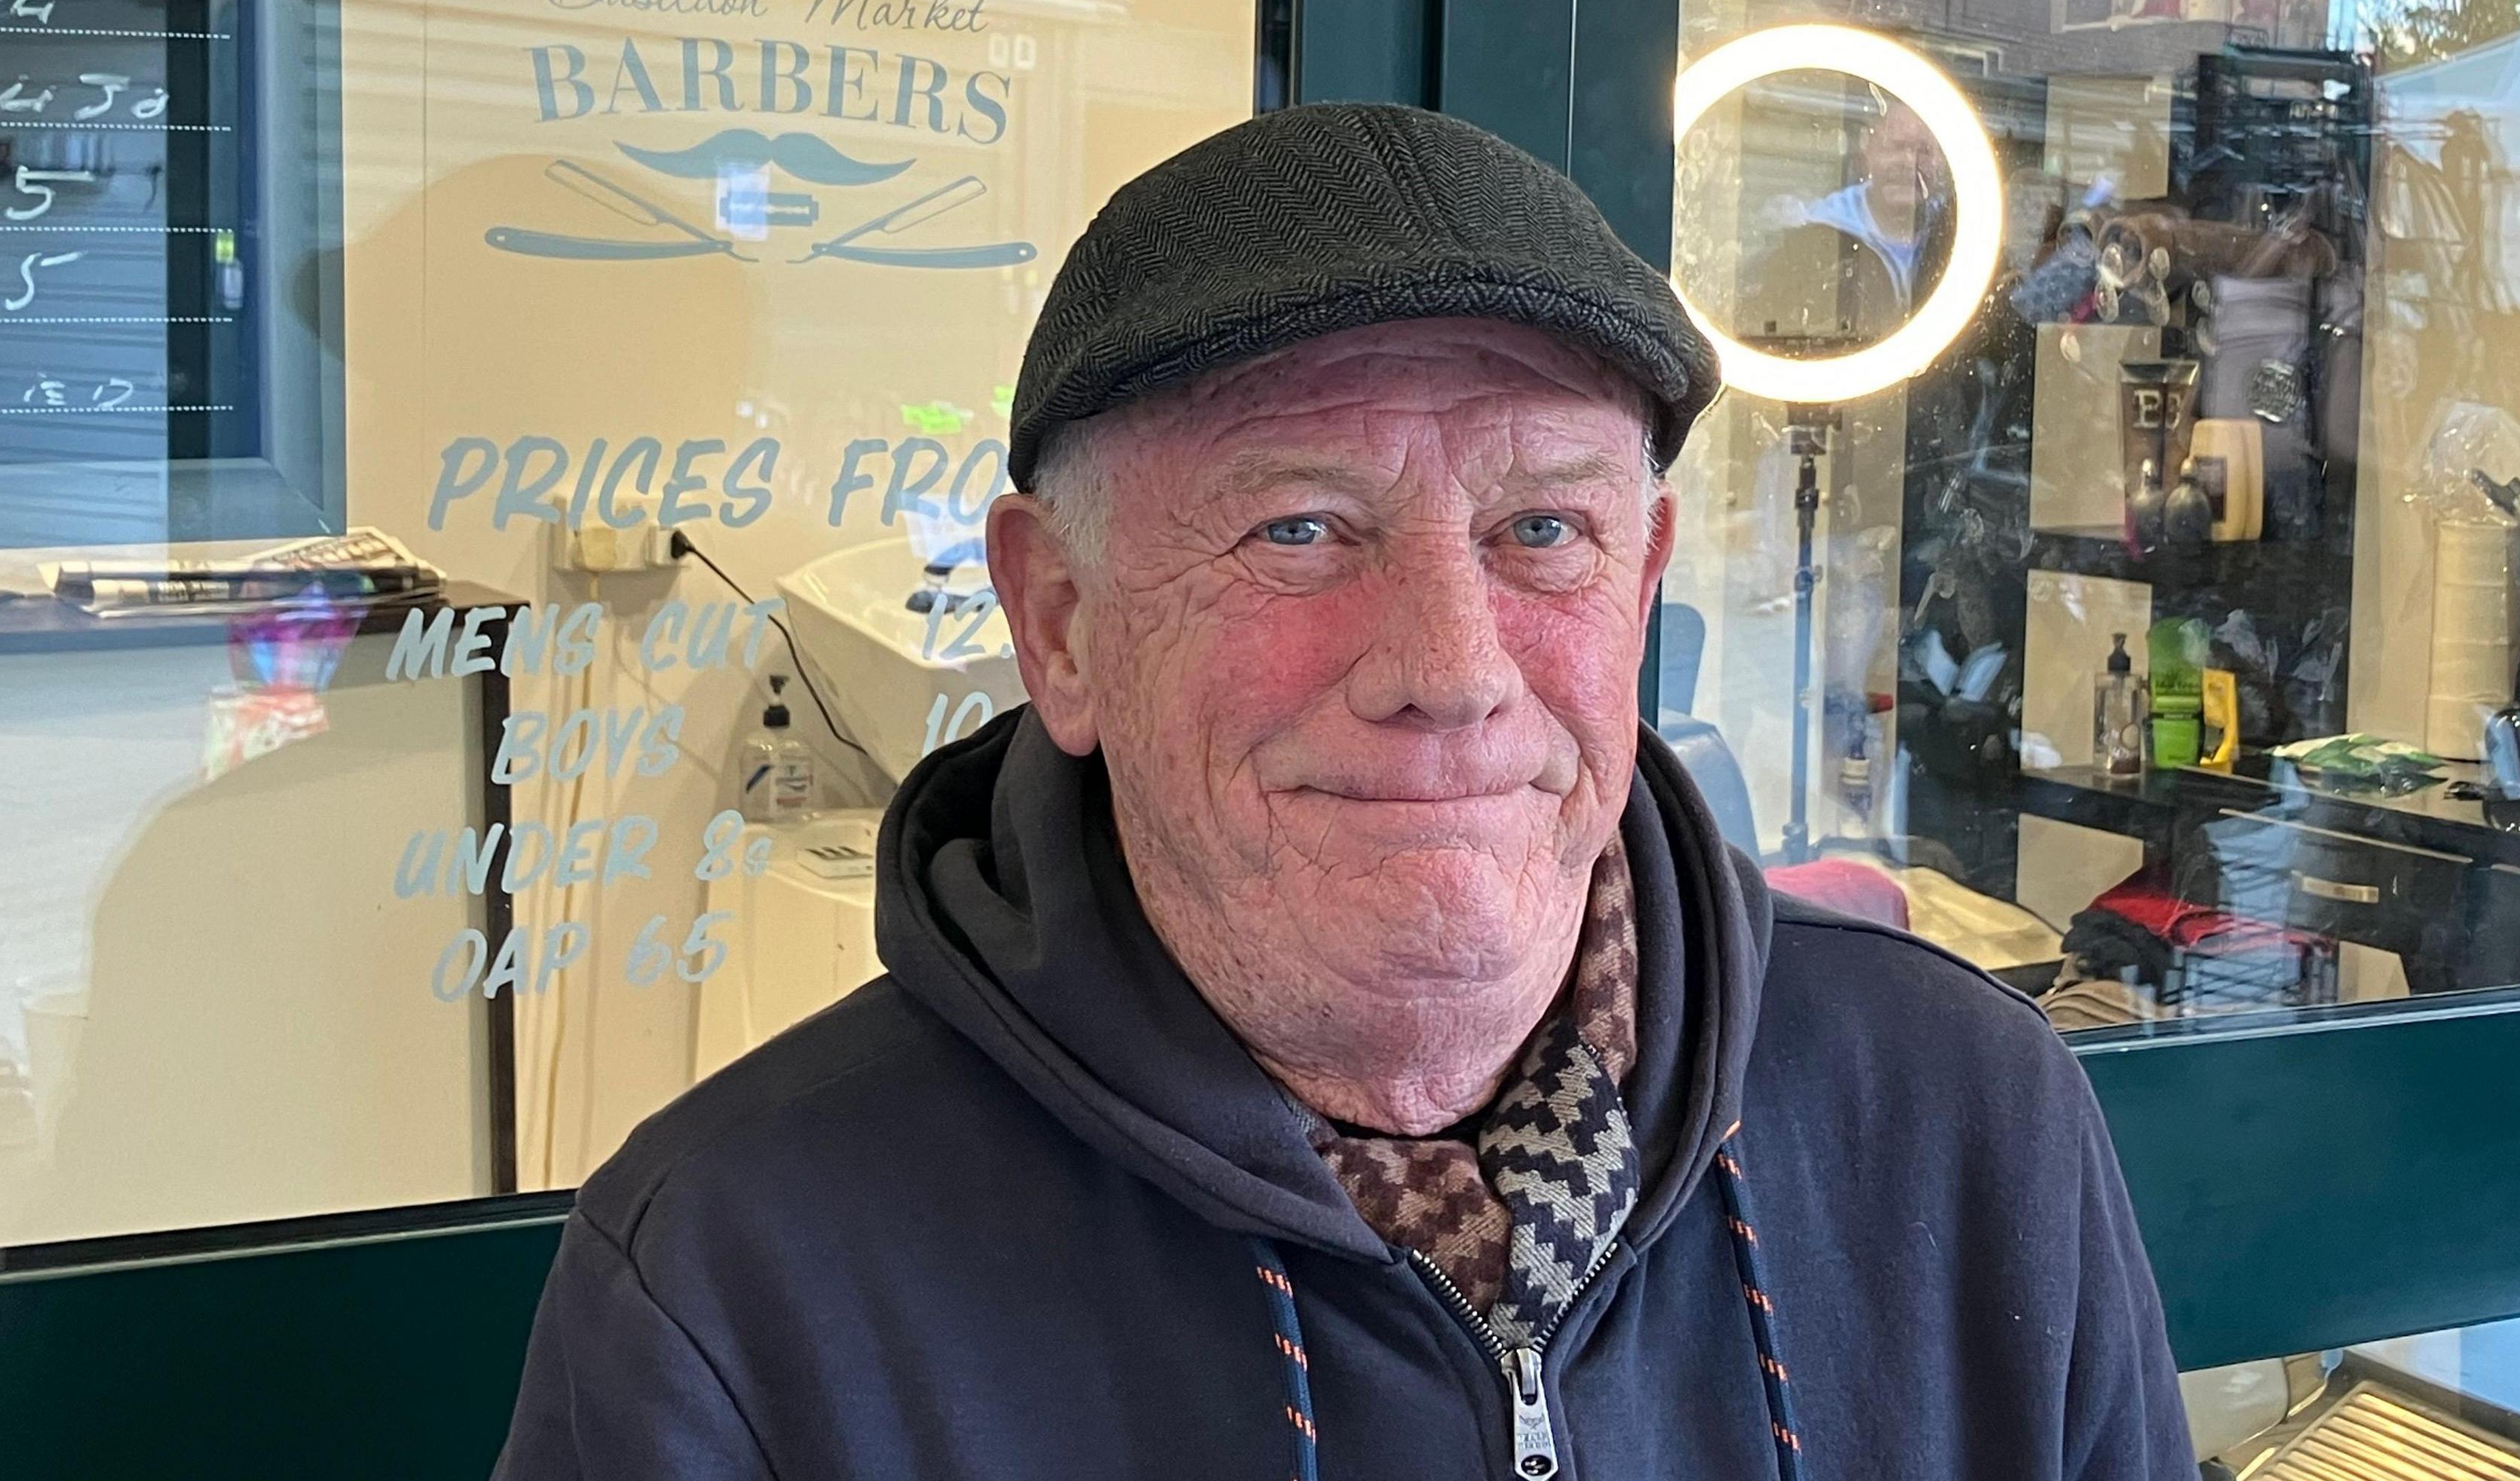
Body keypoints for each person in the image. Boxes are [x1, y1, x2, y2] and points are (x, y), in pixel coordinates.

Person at [493, 102, 2193, 1479]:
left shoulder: (1968, 1123)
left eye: (1544, 530)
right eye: (1298, 528)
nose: (1450, 667)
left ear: (1646, 577)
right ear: (1062, 626)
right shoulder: (741, 1281)